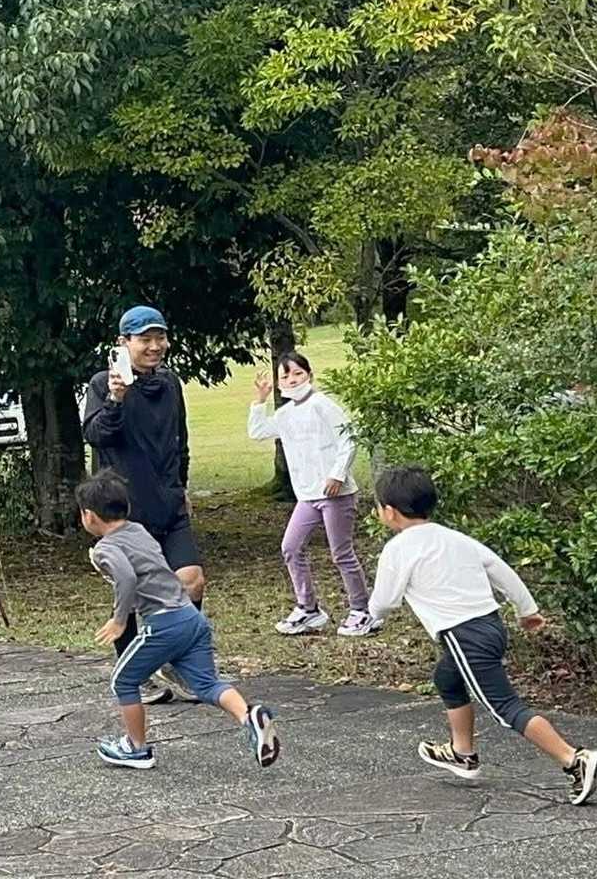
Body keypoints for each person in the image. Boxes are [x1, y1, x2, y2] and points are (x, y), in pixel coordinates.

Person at [365, 467, 597, 805]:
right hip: (491, 626)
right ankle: (462, 752)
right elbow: (499, 569)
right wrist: (527, 609)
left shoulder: (398, 548)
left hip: (464, 636)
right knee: (447, 677)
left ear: (389, 511)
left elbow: (385, 602)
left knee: (505, 707)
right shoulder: (455, 538)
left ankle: (573, 758)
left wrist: (371, 615)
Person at [79, 471, 280, 770]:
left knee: (124, 680)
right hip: (191, 617)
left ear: (89, 516)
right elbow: (144, 571)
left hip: (165, 623)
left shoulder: (105, 547)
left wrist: (120, 620)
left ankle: (136, 748)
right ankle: (248, 716)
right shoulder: (138, 530)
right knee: (206, 684)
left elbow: (127, 577)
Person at [82, 305, 199, 701]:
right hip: (124, 508)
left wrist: (182, 485)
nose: (154, 346)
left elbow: (180, 439)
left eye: (159, 338)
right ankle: (135, 672)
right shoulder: (102, 384)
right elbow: (96, 435)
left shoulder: (170, 383)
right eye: (144, 339)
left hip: (168, 500)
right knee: (130, 589)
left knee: (191, 580)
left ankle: (177, 661)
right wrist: (116, 398)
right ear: (123, 343)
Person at [247, 352, 376, 637]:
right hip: (307, 496)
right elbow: (257, 431)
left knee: (341, 552)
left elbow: (348, 437)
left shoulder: (322, 405)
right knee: (291, 547)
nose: (292, 380)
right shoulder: (285, 414)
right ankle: (308, 609)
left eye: (298, 373)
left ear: (309, 375)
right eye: (285, 376)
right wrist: (260, 400)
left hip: (335, 494)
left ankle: (362, 611)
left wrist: (337, 474)